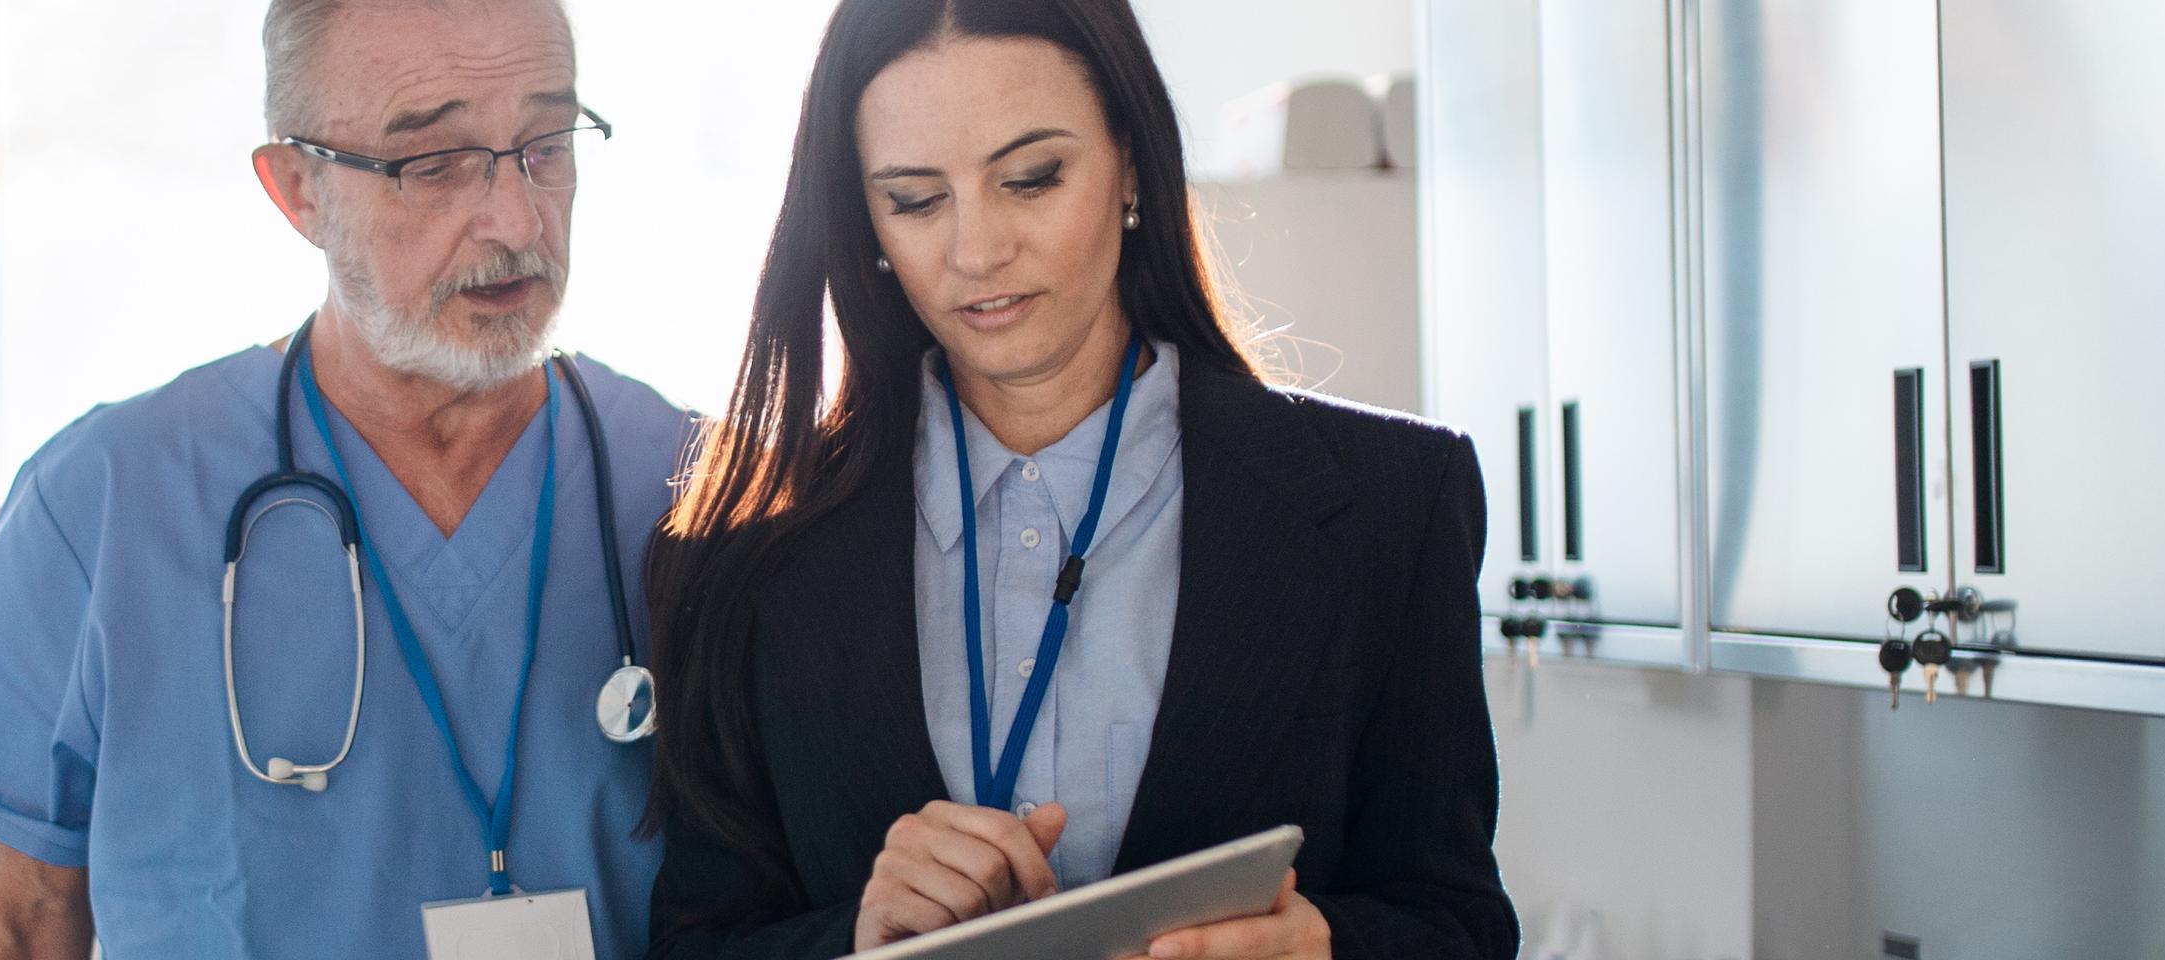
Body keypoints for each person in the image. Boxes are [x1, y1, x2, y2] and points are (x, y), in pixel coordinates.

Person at [636, 0, 1515, 957]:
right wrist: (859, 937)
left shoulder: (1395, 504)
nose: (977, 253)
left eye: (1030, 178)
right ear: (863, 220)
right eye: (916, 200)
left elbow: (1457, 922)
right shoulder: (739, 549)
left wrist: (1323, 949)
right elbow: (694, 941)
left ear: (1132, 160)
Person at [0, 1, 690, 957]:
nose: (515, 218)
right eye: (432, 163)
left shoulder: (701, 489)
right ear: (298, 189)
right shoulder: (111, 499)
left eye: (547, 143)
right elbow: (20, 925)